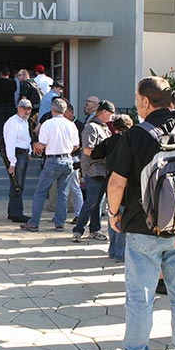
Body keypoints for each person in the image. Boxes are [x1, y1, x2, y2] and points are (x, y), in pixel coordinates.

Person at [107, 76, 175, 350]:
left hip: (143, 228)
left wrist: (114, 214)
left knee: (140, 295)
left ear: (144, 101)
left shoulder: (135, 135)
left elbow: (116, 183)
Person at [20, 98, 79, 232]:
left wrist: (35, 145)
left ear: (52, 109)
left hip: (53, 159)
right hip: (68, 159)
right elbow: (76, 145)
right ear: (65, 111)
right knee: (63, 193)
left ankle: (34, 222)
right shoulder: (71, 125)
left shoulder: (48, 124)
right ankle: (60, 223)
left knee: (40, 192)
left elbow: (43, 144)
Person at [72, 100, 116, 243]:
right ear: (104, 112)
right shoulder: (91, 127)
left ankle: (95, 229)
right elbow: (87, 150)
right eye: (111, 113)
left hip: (103, 170)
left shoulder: (105, 128)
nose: (112, 117)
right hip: (93, 169)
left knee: (98, 201)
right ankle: (78, 230)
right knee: (91, 200)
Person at [91, 114, 134, 261]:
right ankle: (121, 253)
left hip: (111, 179)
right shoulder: (131, 141)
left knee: (113, 213)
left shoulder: (110, 141)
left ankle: (113, 250)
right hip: (127, 181)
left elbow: (95, 153)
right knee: (123, 214)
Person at [2, 99, 33, 223]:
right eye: (25, 108)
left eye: (29, 109)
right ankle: (16, 213)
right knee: (17, 184)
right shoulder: (13, 122)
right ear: (19, 108)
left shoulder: (24, 122)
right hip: (16, 154)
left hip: (23, 154)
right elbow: (10, 142)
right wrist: (12, 162)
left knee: (19, 184)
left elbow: (27, 138)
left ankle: (12, 211)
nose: (27, 111)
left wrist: (29, 151)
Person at [64, 103, 84, 224]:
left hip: (74, 158)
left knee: (75, 187)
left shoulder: (78, 125)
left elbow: (79, 145)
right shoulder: (62, 124)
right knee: (63, 188)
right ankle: (61, 213)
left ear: (71, 112)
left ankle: (79, 214)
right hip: (64, 158)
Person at [0, 65, 17, 141]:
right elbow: (14, 90)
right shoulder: (13, 82)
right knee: (11, 125)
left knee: (1, 125)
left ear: (0, 73)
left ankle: (1, 141)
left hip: (1, 105)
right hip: (11, 105)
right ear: (9, 73)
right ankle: (10, 140)